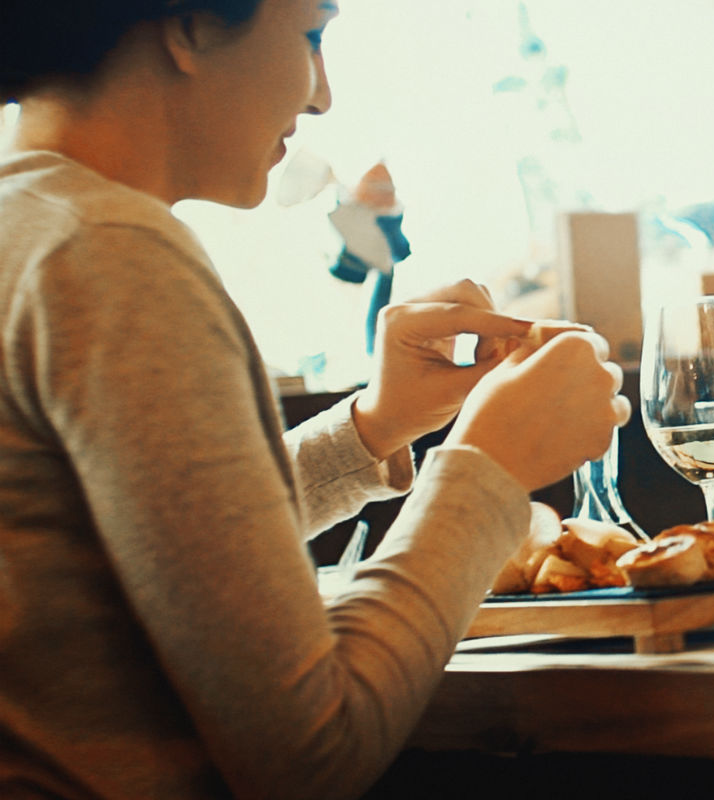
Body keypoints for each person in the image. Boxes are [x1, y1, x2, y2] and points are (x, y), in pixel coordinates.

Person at [0, 1, 631, 798]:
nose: (321, 96)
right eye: (312, 37)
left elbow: (159, 545)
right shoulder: (110, 252)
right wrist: (489, 469)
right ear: (190, 25)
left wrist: (371, 430)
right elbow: (311, 751)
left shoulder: (29, 229)